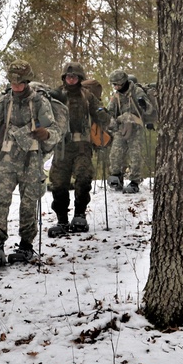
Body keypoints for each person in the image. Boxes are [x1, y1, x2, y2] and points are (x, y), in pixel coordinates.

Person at [0, 59, 57, 263]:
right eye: (13, 83)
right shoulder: (3, 101)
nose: (16, 87)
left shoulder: (40, 102)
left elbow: (56, 131)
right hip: (5, 157)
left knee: (29, 202)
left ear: (27, 81)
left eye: (20, 83)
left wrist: (46, 134)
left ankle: (26, 245)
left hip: (31, 158)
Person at [48, 61, 110, 235]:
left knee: (83, 178)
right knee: (59, 184)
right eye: (68, 76)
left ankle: (80, 215)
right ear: (64, 77)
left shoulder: (87, 96)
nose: (71, 79)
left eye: (74, 76)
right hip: (62, 146)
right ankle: (61, 220)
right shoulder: (57, 94)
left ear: (80, 78)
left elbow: (101, 115)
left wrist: (103, 115)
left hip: (83, 146)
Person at [104, 69, 156, 193]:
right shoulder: (116, 95)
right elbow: (110, 111)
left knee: (135, 154)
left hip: (136, 127)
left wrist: (144, 105)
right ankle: (117, 176)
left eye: (117, 84)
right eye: (114, 84)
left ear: (123, 82)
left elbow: (149, 110)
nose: (116, 87)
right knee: (115, 154)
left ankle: (134, 181)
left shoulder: (136, 92)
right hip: (121, 127)